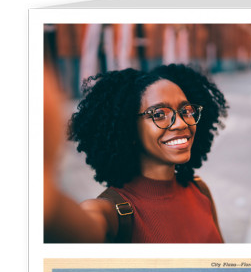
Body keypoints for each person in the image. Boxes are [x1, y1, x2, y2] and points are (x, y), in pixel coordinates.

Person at [46, 63, 228, 243]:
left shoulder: (200, 190)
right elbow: (70, 226)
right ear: (129, 128)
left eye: (186, 110)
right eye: (159, 114)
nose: (181, 123)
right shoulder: (111, 213)